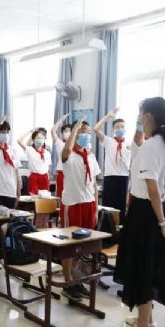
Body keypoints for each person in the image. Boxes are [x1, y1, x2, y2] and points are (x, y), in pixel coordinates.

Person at [113, 97, 165, 327]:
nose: (139, 118)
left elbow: (153, 188)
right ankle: (147, 319)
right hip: (159, 210)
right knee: (150, 264)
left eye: (140, 113)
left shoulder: (151, 146)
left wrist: (162, 220)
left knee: (142, 265)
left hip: (146, 212)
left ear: (148, 116)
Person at [60, 120, 101, 301]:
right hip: (73, 204)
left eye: (87, 132)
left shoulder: (91, 156)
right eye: (81, 131)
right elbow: (65, 151)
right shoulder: (69, 155)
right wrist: (75, 129)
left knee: (83, 246)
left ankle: (77, 280)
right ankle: (67, 282)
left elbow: (94, 184)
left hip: (89, 204)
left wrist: (96, 208)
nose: (85, 135)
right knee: (70, 245)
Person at [93, 108, 130, 223]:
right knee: (108, 207)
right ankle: (106, 229)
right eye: (117, 127)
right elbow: (95, 129)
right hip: (110, 177)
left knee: (121, 208)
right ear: (113, 129)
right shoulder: (108, 141)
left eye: (122, 126)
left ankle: (120, 230)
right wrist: (108, 116)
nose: (120, 129)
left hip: (124, 177)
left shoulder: (129, 144)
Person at [17, 127, 52, 195]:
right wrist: (29, 132)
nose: (40, 139)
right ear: (33, 140)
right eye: (38, 138)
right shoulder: (30, 150)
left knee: (44, 199)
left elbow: (47, 168)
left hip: (45, 178)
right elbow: (19, 141)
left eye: (42, 138)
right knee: (34, 198)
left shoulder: (47, 153)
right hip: (34, 177)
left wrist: (48, 179)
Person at [51, 113, 71, 226]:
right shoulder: (59, 143)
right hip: (61, 173)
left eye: (70, 131)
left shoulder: (74, 145)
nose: (67, 133)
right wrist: (61, 119)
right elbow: (52, 131)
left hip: (71, 174)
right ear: (62, 133)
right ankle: (61, 220)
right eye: (65, 131)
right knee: (61, 198)